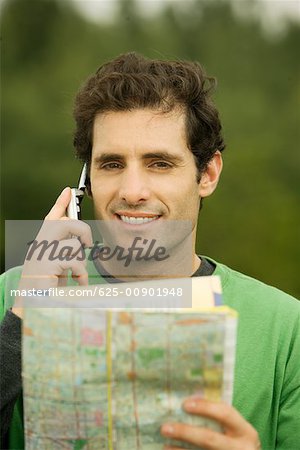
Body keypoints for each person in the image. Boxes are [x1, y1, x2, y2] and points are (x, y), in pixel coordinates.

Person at [1, 52, 300, 450]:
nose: (132, 191)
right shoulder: (13, 294)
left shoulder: (286, 330)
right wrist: (21, 319)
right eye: (111, 164)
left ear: (207, 174)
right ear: (85, 180)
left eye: (159, 163)